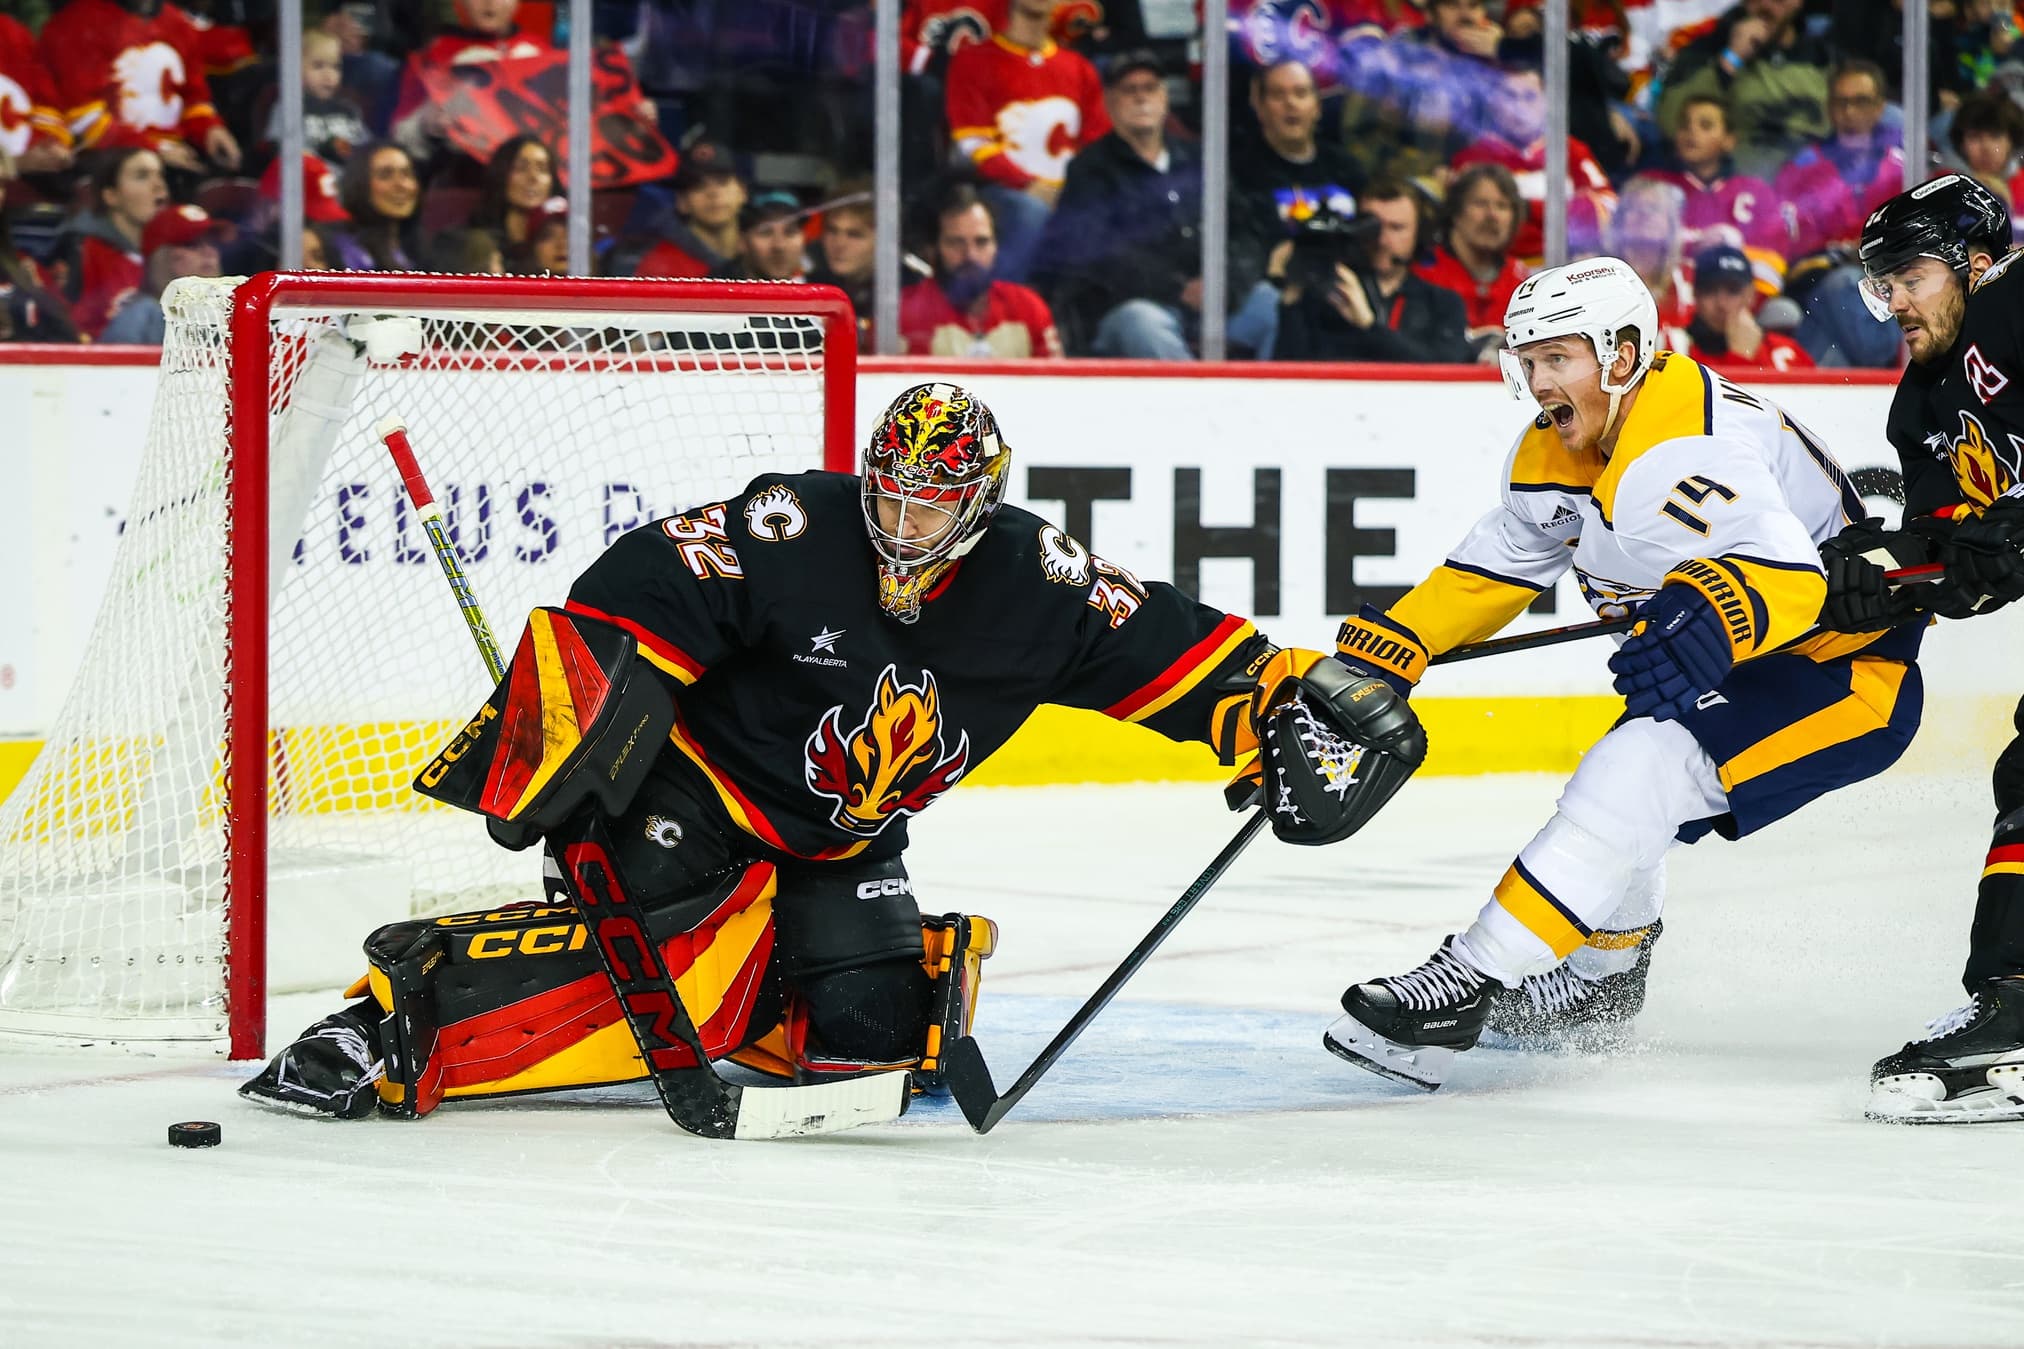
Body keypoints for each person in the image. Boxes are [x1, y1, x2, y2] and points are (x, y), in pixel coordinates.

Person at [239, 383, 1411, 1120]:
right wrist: (564, 736)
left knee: (865, 1050)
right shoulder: (794, 523)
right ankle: (393, 1014)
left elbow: (1181, 650)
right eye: (890, 501)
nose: (902, 529)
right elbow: (642, 585)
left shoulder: (1037, 581)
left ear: (982, 502)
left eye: (930, 509)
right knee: (679, 986)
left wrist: (1280, 716)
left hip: (842, 838)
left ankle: (802, 967)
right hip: (691, 803)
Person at [1320, 257, 1926, 1090]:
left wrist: (1709, 607)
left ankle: (1467, 980)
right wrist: (1386, 652)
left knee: (1633, 772)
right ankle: (1599, 990)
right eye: (1527, 360)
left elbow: (1790, 574)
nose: (1538, 381)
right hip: (1752, 659)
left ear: (1625, 352)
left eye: (1557, 357)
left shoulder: (1680, 447)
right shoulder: (1559, 449)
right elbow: (1500, 564)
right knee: (1629, 780)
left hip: (1843, 672)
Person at [1816, 175, 2024, 1123]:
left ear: (1975, 264)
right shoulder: (1919, 409)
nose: (1890, 300)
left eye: (1908, 274)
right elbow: (1961, 557)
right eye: (1880, 281)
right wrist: (1875, 573)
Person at [1035, 50, 1202, 359]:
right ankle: (1203, 405)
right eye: (1130, 90)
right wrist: (1179, 288)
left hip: (1212, 300)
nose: (1142, 98)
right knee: (1143, 324)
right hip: (1132, 306)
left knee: (1266, 304)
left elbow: (1239, 227)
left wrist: (1224, 283)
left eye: (1150, 88)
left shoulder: (1197, 159)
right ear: (1110, 102)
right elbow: (1099, 250)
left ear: (1165, 97)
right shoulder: (1090, 169)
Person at [945, 0, 1108, 284]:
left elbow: (1098, 145)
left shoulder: (1080, 68)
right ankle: (1001, 308)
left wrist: (1067, 189)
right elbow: (972, 142)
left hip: (1069, 193)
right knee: (1028, 212)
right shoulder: (974, 59)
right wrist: (1030, 186)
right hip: (1000, 193)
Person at [1229, 58, 1367, 361]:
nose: (1291, 104)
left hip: (1341, 292)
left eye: (1301, 93)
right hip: (1274, 295)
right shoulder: (1238, 172)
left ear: (1317, 106)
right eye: (1279, 95)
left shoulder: (1347, 169)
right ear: (1259, 105)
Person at [1271, 179, 1473, 365]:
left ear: (1419, 234)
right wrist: (1292, 297)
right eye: (1372, 227)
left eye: (1396, 228)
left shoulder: (1442, 303)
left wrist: (1368, 325)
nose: (1382, 240)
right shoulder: (1325, 294)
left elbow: (1445, 370)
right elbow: (1290, 372)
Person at [38, 0, 243, 173]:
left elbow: (193, 98)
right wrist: (154, 149)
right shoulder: (76, 23)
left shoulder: (176, 22)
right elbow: (84, 123)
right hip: (106, 164)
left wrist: (210, 129)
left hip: (175, 155)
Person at [1448, 63, 1613, 263]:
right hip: (1500, 271)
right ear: (1493, 103)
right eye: (1510, 96)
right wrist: (1568, 210)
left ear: (1546, 103)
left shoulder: (1572, 151)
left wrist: (1526, 208)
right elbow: (1483, 232)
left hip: (1567, 265)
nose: (1519, 107)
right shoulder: (1473, 158)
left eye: (1529, 97)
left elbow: (1608, 209)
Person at [1637, 92, 1793, 296]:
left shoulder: (1756, 192)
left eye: (1705, 125)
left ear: (1729, 140)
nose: (1692, 131)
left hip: (1736, 306)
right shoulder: (1650, 186)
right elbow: (1635, 253)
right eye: (1685, 124)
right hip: (1664, 301)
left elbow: (1773, 264)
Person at [1657, 0, 1830, 183]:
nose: (1766, 5)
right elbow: (1671, 123)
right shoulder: (1708, 49)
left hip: (1817, 183)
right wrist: (1731, 59)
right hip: (1737, 185)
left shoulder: (1823, 57)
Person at [898, 184, 1061, 358]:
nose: (971, 255)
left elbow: (1058, 383)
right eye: (956, 243)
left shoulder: (1028, 309)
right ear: (932, 250)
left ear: (996, 247)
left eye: (981, 242)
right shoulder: (904, 314)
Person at [1413, 162, 1528, 362]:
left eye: (1502, 206)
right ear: (1456, 213)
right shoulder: (1424, 272)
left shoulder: (1521, 280)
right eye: (1480, 203)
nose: (1492, 215)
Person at [62, 146, 167, 339]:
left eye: (160, 175)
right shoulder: (85, 249)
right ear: (111, 196)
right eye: (142, 176)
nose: (159, 185)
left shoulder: (169, 252)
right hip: (99, 361)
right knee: (145, 311)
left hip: (158, 360)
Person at [99, 202, 228, 344]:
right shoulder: (140, 318)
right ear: (161, 259)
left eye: (212, 243)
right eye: (191, 244)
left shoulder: (231, 314)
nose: (208, 252)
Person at [623, 140, 747, 279]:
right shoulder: (660, 267)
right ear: (682, 202)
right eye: (698, 186)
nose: (713, 193)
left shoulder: (764, 251)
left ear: (742, 192)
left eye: (722, 182)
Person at [1682, 243, 1813, 372]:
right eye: (1709, 290)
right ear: (1695, 295)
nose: (1721, 303)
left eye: (1733, 290)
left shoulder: (1787, 352)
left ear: (1751, 295)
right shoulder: (1679, 352)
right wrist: (1741, 358)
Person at [264, 28, 370, 166]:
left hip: (350, 182)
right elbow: (280, 149)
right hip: (310, 180)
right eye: (318, 66)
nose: (329, 75)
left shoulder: (349, 110)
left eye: (335, 67)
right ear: (295, 70)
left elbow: (369, 150)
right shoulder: (290, 108)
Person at [0, 14, 75, 175]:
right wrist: (11, 164)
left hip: (27, 174)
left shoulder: (7, 32)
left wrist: (49, 147)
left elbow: (43, 102)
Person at [329, 141, 420, 271]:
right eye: (385, 175)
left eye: (407, 174)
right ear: (359, 184)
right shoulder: (344, 249)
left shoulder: (417, 245)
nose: (402, 185)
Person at [469, 135, 559, 255]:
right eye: (520, 168)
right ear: (501, 176)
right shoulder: (478, 244)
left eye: (542, 169)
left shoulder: (563, 246)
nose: (533, 177)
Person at [713, 189, 806, 283]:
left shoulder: (816, 284)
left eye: (790, 232)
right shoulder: (715, 289)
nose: (779, 246)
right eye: (766, 233)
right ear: (742, 241)